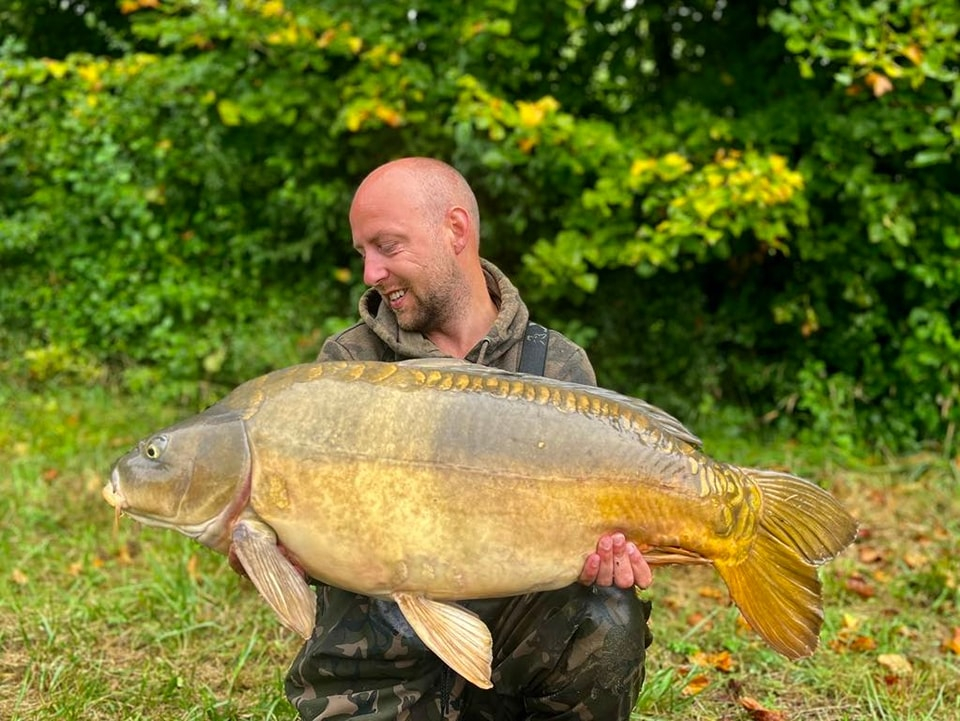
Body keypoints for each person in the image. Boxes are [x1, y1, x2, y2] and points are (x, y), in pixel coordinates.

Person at [285, 157, 653, 721]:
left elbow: (601, 530)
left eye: (387, 246)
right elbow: (315, 533)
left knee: (608, 612)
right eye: (363, 253)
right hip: (379, 672)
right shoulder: (348, 367)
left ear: (455, 230)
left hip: (511, 667)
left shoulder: (556, 367)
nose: (371, 272)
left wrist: (611, 553)